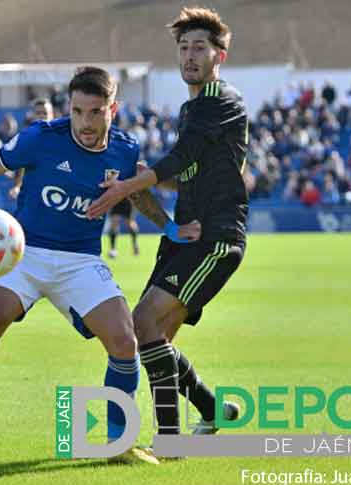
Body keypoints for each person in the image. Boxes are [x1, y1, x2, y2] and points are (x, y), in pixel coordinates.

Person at [0, 67, 199, 464]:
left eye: (96, 112)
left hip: (81, 260)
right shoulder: (41, 138)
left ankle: (119, 444)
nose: (85, 121)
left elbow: (137, 194)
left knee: (124, 341)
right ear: (69, 106)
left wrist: (169, 227)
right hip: (26, 253)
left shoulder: (124, 149)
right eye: (78, 111)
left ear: (112, 109)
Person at [88, 6, 246, 441]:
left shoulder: (221, 101)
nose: (190, 56)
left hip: (215, 236)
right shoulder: (191, 107)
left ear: (220, 57)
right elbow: (186, 172)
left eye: (200, 48)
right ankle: (211, 409)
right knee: (152, 337)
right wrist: (139, 177)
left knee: (143, 323)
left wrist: (129, 186)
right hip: (187, 234)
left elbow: (182, 157)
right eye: (183, 48)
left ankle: (171, 440)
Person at [9, 98, 55, 200]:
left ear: (52, 115)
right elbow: (21, 166)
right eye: (38, 113)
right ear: (33, 116)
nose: (42, 116)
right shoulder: (26, 140)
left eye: (45, 113)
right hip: (34, 196)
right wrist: (17, 186)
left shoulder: (62, 138)